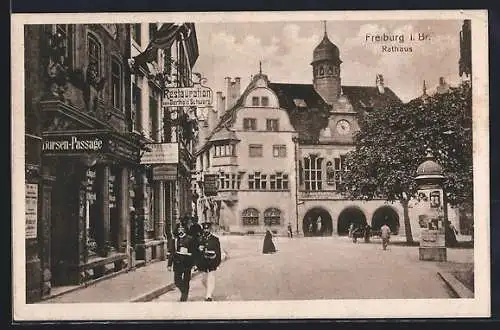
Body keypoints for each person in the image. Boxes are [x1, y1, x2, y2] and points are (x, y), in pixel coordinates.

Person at [167, 222, 197, 302]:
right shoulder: (174, 240)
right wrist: (169, 264)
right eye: (179, 229)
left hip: (187, 262)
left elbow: (194, 252)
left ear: (185, 230)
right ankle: (184, 291)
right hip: (177, 262)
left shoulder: (190, 239)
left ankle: (184, 296)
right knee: (177, 281)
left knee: (186, 280)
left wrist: (194, 264)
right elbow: (171, 253)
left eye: (182, 229)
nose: (180, 230)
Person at [195, 222, 222, 301]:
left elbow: (218, 252)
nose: (206, 230)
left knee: (211, 277)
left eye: (207, 229)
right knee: (203, 280)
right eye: (204, 229)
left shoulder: (215, 239)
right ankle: (210, 290)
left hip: (212, 261)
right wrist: (198, 249)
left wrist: (217, 262)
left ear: (210, 229)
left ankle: (208, 295)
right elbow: (196, 252)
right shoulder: (199, 239)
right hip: (203, 262)